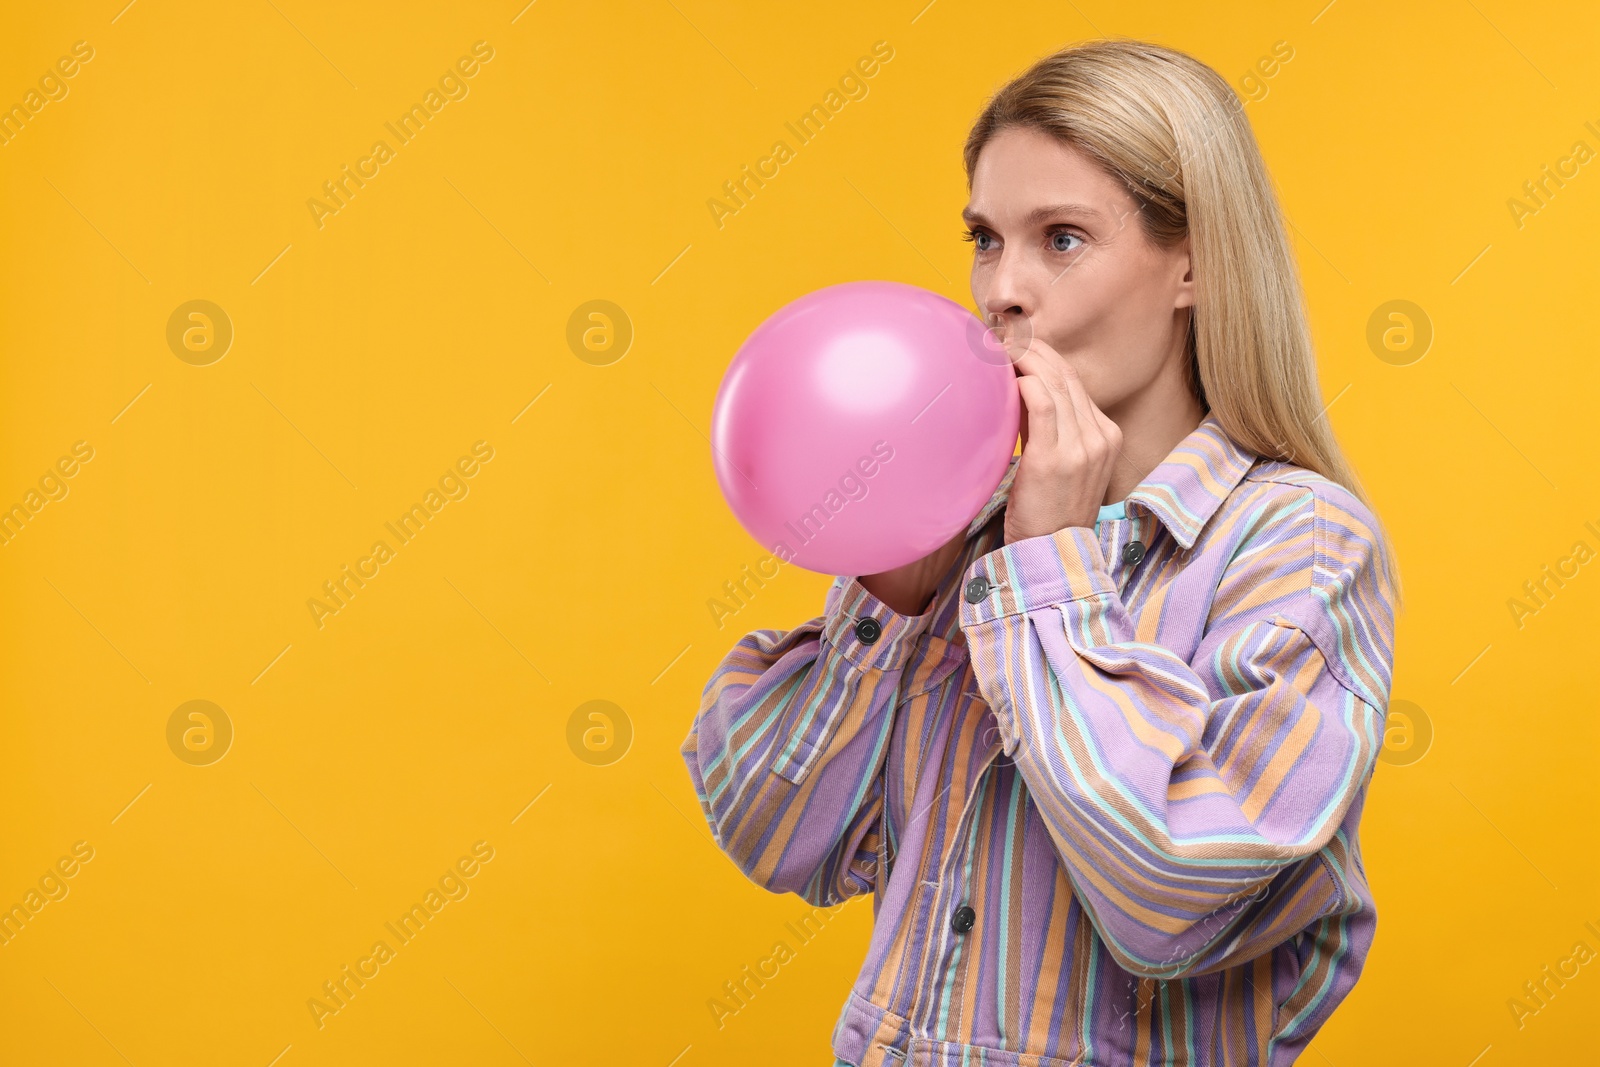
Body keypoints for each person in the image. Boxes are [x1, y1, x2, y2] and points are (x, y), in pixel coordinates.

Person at [680, 37, 1400, 1067]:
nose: (1001, 290)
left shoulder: (1298, 541)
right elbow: (775, 834)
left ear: (1194, 261)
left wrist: (1048, 576)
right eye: (984, 237)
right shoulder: (953, 534)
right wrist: (886, 598)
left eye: (1060, 239)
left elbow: (1173, 896)